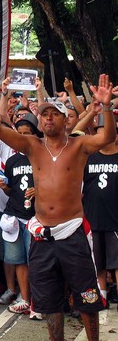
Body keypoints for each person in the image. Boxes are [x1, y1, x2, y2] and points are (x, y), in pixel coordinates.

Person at [0, 68, 115, 341]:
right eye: (45, 114)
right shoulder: (32, 145)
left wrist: (107, 107)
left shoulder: (78, 146)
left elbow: (106, 138)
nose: (49, 118)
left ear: (65, 120)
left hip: (73, 234)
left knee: (87, 297)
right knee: (49, 300)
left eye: (55, 114)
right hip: (41, 236)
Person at [0, 113, 43, 319]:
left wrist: (40, 190)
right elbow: (10, 191)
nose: (23, 137)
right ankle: (25, 298)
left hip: (36, 218)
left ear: (36, 135)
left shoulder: (42, 156)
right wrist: (5, 187)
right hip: (14, 216)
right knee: (19, 261)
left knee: (37, 262)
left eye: (28, 134)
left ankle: (39, 302)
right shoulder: (12, 160)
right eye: (20, 133)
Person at [82, 112, 118, 315]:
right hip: (93, 218)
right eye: (99, 132)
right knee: (98, 262)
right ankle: (101, 295)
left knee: (117, 262)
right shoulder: (89, 157)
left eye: (107, 132)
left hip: (115, 220)